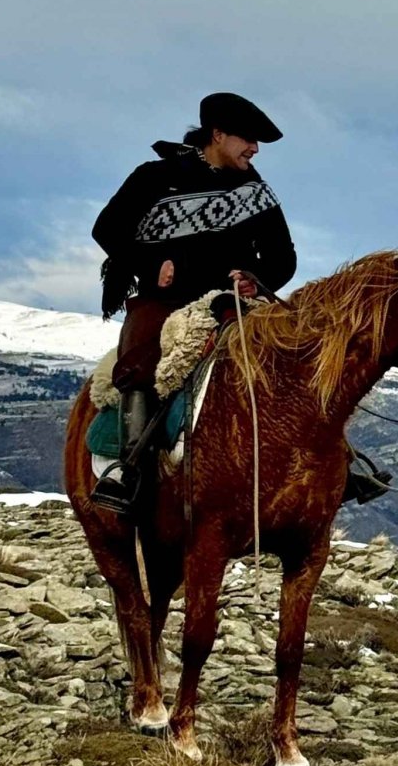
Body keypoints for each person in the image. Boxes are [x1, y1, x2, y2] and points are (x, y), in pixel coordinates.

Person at [88, 91, 296, 513]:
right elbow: (106, 229)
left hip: (230, 301)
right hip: (165, 300)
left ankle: (329, 465)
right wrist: (150, 263)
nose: (254, 150)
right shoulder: (154, 177)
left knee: (293, 358)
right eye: (247, 139)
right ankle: (129, 467)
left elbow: (283, 260)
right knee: (140, 360)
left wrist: (256, 279)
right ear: (217, 135)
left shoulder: (255, 191)